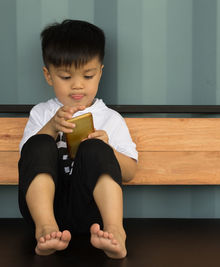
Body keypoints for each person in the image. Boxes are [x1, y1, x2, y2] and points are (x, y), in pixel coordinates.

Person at [18, 19, 137, 259]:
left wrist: (108, 149)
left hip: (91, 212)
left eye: (88, 75)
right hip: (46, 208)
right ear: (48, 75)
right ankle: (45, 229)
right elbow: (28, 160)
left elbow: (129, 172)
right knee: (39, 143)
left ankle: (115, 230)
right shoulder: (41, 113)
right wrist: (51, 126)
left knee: (96, 147)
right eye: (65, 77)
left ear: (100, 73)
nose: (77, 85)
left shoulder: (110, 119)